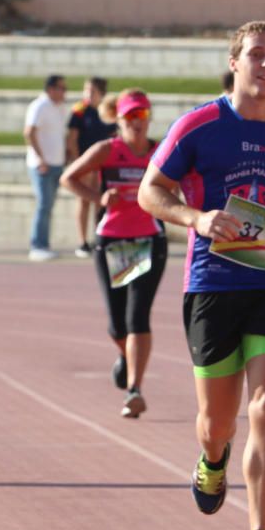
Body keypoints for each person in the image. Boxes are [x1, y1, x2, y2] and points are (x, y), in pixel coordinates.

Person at [138, 20, 265, 530]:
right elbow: (151, 190)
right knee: (217, 422)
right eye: (257, 55)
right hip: (213, 283)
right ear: (235, 61)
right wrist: (197, 219)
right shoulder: (200, 125)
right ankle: (213, 458)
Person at [60, 89, 167, 419]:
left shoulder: (160, 152)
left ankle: (134, 389)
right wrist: (99, 197)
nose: (138, 123)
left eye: (143, 116)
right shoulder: (107, 149)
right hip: (112, 242)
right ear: (119, 120)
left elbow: (183, 182)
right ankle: (126, 356)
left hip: (149, 240)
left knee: (138, 318)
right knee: (116, 326)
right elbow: (68, 178)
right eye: (131, 117)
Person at [67, 77, 118, 258]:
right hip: (85, 163)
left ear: (101, 93)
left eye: (92, 91)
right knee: (84, 200)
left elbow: (115, 135)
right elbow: (72, 138)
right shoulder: (80, 111)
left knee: (101, 201)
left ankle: (99, 237)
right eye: (86, 90)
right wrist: (78, 162)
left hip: (103, 164)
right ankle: (83, 242)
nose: (88, 94)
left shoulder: (109, 110)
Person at [24, 74, 68, 261]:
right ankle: (38, 245)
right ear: (51, 89)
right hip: (42, 165)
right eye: (61, 88)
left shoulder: (59, 107)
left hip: (56, 163)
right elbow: (29, 132)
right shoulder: (39, 105)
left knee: (48, 206)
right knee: (43, 205)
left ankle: (44, 244)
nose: (64, 92)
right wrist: (41, 158)